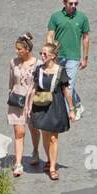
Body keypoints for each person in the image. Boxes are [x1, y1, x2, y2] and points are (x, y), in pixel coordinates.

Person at [25, 40, 73, 181]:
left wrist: (71, 108)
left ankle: (52, 167)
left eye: (45, 53)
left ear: (53, 56)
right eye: (41, 53)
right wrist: (28, 106)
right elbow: (33, 88)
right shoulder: (39, 69)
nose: (42, 55)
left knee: (53, 137)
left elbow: (66, 91)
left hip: (55, 106)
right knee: (45, 135)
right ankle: (49, 159)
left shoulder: (60, 70)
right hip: (40, 105)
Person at [47, 0, 90, 123]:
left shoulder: (82, 18)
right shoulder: (55, 17)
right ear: (64, 3)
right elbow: (50, 34)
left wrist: (85, 57)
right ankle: (77, 104)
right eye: (71, 3)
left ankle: (67, 113)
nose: (73, 6)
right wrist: (49, 52)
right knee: (60, 84)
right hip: (58, 56)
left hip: (73, 57)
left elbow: (86, 38)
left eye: (76, 3)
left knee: (69, 85)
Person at [7, 33, 40, 177]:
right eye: (16, 49)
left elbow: (40, 84)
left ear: (27, 49)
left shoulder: (37, 64)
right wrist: (11, 94)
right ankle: (18, 163)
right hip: (16, 101)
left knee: (33, 129)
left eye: (19, 49)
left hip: (32, 102)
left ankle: (35, 151)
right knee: (19, 132)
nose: (17, 51)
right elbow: (11, 82)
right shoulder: (13, 62)